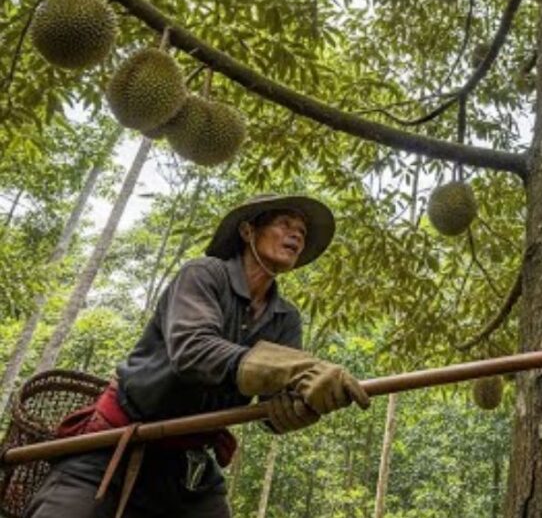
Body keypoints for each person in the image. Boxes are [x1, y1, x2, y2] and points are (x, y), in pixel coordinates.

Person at [24, 194, 369, 518]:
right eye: (284, 224)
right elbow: (193, 350)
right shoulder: (204, 274)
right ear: (248, 231)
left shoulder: (286, 318)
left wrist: (301, 405)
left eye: (302, 232)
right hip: (113, 445)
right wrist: (300, 368)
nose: (296, 235)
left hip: (188, 465)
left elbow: (272, 408)